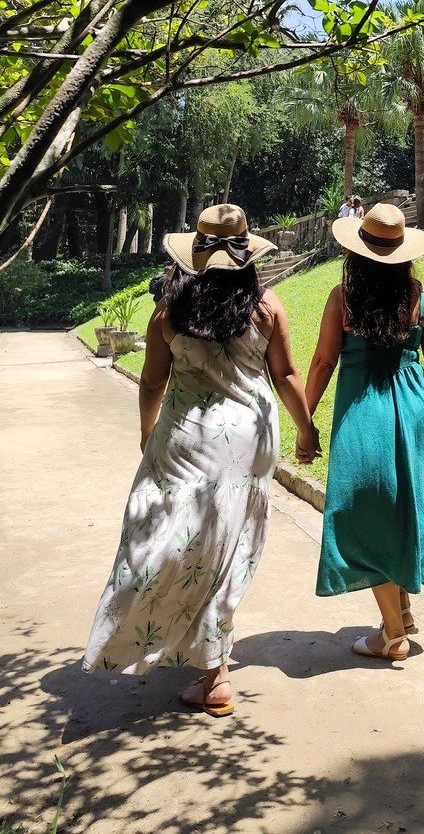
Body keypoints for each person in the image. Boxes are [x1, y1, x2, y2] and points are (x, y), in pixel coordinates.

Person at [83, 204, 321, 715]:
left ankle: (208, 667)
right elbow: (285, 376)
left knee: (159, 538)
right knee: (227, 548)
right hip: (249, 442)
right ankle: (209, 659)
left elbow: (152, 381)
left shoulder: (169, 311)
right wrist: (306, 429)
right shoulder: (266, 307)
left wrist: (146, 431)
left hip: (186, 440)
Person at [305, 202, 424, 663]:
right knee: (400, 503)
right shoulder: (421, 299)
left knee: (366, 513)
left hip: (362, 409)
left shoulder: (343, 299)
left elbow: (323, 362)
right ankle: (404, 612)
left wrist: (305, 421)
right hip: (412, 406)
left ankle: (393, 636)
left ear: (356, 254)